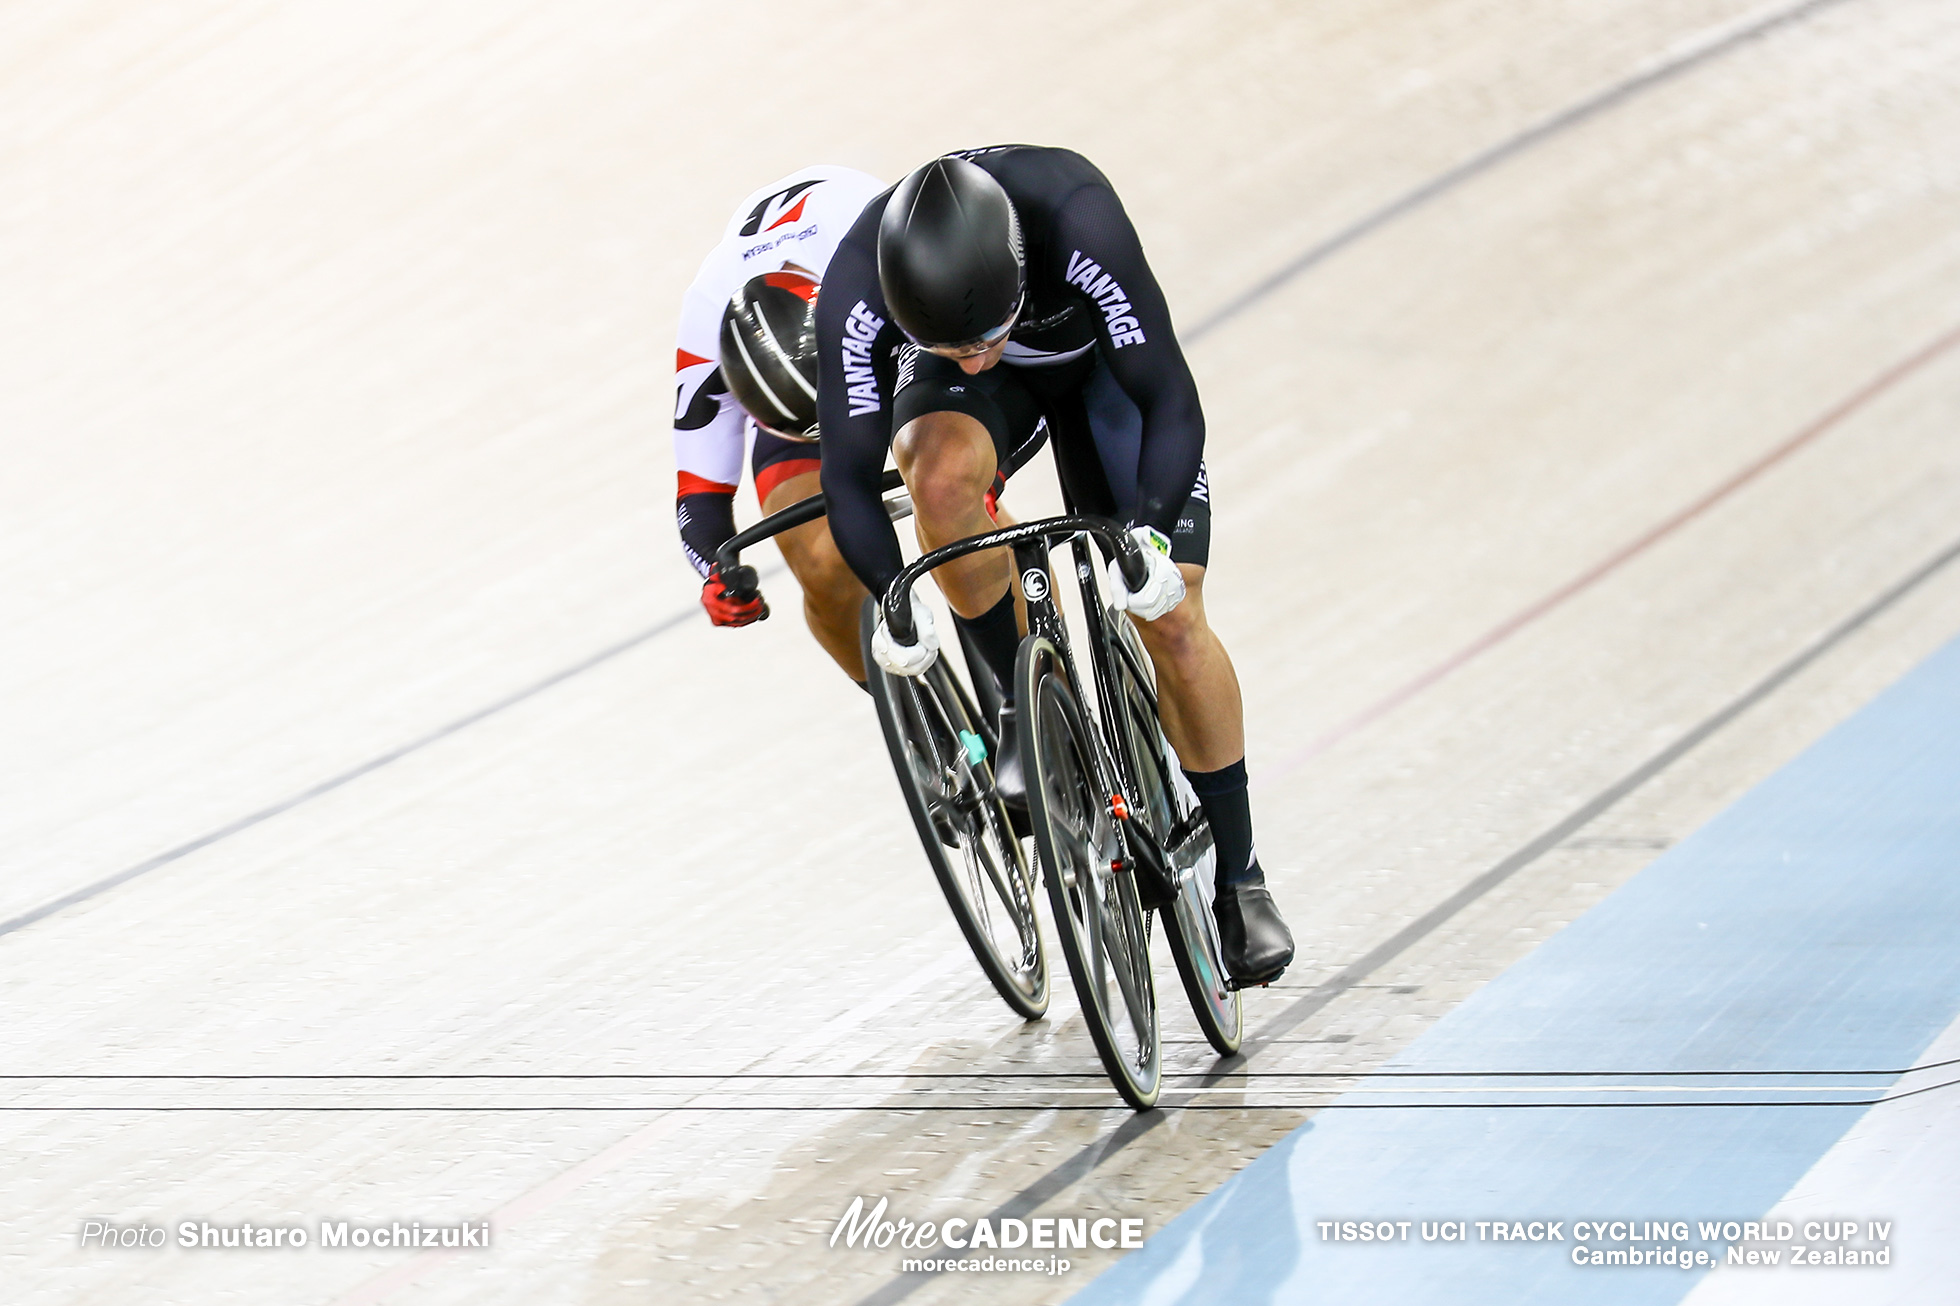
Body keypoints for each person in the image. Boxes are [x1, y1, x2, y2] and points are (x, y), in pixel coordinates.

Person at [813, 147, 1295, 986]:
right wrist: (895, 598)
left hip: (1104, 377)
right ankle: (1018, 707)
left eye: (985, 337)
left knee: (1173, 616)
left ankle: (1241, 879)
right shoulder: (856, 285)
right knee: (935, 479)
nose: (971, 359)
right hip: (994, 410)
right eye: (946, 345)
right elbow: (847, 476)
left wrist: (1146, 539)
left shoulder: (1076, 218)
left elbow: (1169, 399)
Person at [673, 164, 885, 683]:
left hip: (891, 343)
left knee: (948, 486)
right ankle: (921, 734)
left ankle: (1036, 693)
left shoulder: (872, 242)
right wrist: (717, 574)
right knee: (823, 565)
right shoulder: (705, 323)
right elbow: (699, 496)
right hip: (796, 381)